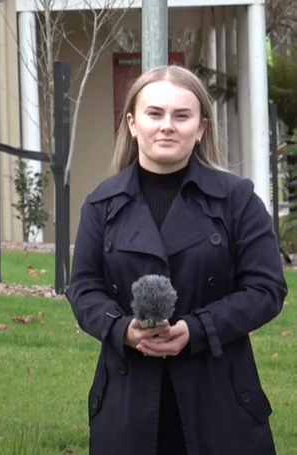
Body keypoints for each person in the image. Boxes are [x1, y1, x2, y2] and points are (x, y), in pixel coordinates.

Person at [66, 65, 288, 455]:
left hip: (222, 403)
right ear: (133, 124)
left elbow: (266, 289)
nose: (167, 125)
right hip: (127, 401)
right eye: (155, 113)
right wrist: (121, 330)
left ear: (200, 127)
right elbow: (83, 288)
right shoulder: (101, 204)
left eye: (181, 115)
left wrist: (198, 329)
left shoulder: (237, 201)